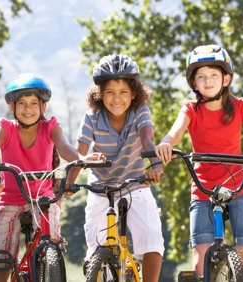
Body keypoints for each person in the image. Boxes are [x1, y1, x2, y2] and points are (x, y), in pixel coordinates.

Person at [154, 44, 243, 282]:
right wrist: (166, 143)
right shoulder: (191, 109)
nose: (208, 81)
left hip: (237, 188)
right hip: (203, 189)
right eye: (201, 77)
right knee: (200, 262)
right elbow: (174, 134)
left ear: (226, 79)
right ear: (194, 83)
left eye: (214, 75)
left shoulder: (239, 106)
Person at [0, 73, 100, 282]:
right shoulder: (5, 128)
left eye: (33, 103)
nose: (28, 108)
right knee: (2, 262)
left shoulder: (50, 127)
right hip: (10, 201)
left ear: (43, 107)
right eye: (21, 103)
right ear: (12, 107)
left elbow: (65, 147)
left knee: (51, 243)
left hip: (43, 201)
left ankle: (47, 262)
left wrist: (82, 159)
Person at [75, 54, 165, 282]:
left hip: (135, 184)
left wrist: (155, 167)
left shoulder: (140, 112)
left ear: (134, 93)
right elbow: (78, 154)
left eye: (123, 92)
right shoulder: (92, 118)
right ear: (99, 95)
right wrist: (66, 183)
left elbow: (148, 140)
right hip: (101, 188)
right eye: (110, 93)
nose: (117, 99)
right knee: (96, 250)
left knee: (152, 239)